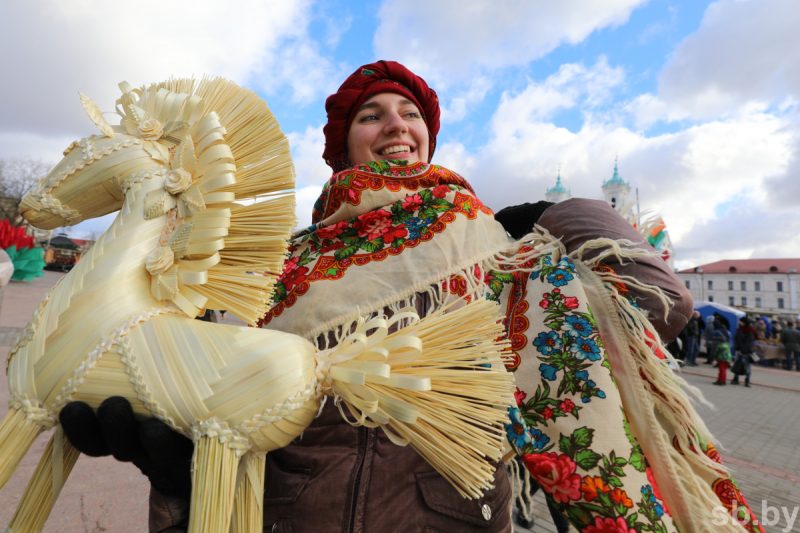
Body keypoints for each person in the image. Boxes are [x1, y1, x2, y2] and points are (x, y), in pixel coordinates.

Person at [58, 61, 764, 533]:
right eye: (372, 115)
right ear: (343, 149)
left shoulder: (489, 243)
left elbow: (657, 303)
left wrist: (558, 217)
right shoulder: (281, 263)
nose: (396, 124)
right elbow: (225, 407)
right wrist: (178, 477)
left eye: (409, 113)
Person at [732, 317, 757, 387]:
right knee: (737, 365)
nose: (739, 322)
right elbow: (736, 339)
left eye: (740, 321)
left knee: (747, 366)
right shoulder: (740, 329)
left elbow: (748, 342)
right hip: (739, 350)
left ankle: (747, 381)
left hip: (746, 352)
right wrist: (737, 348)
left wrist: (743, 351)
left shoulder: (750, 330)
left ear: (744, 322)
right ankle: (735, 379)